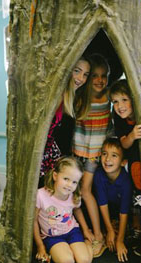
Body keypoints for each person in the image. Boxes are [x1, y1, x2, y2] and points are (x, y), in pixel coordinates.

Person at [72, 53, 111, 257]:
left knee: (85, 191)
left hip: (94, 155)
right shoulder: (80, 97)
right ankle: (85, 231)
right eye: (94, 75)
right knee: (76, 193)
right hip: (78, 152)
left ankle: (98, 235)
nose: (99, 80)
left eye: (103, 76)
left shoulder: (108, 97)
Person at [109, 79, 141, 256]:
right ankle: (137, 232)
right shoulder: (118, 117)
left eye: (124, 99)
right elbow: (124, 143)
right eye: (115, 101)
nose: (120, 106)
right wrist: (132, 135)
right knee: (137, 198)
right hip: (134, 161)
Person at [39, 56, 91, 187]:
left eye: (85, 74)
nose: (80, 78)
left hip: (58, 159)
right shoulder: (58, 96)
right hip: (45, 160)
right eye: (77, 71)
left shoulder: (71, 97)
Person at [34, 156, 94, 263]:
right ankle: (64, 250)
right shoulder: (40, 195)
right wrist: (40, 246)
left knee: (84, 262)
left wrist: (85, 230)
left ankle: (85, 245)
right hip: (52, 236)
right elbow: (33, 221)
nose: (69, 185)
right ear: (55, 176)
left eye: (74, 182)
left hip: (72, 231)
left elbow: (77, 210)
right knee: (67, 262)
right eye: (66, 179)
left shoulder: (73, 196)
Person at [93, 137, 132, 262]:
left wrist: (120, 240)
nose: (107, 159)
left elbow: (124, 211)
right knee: (109, 234)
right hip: (105, 209)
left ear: (123, 162)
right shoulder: (99, 174)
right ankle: (106, 230)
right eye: (104, 154)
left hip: (119, 210)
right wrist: (109, 229)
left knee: (118, 239)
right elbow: (102, 203)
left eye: (114, 155)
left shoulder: (126, 181)